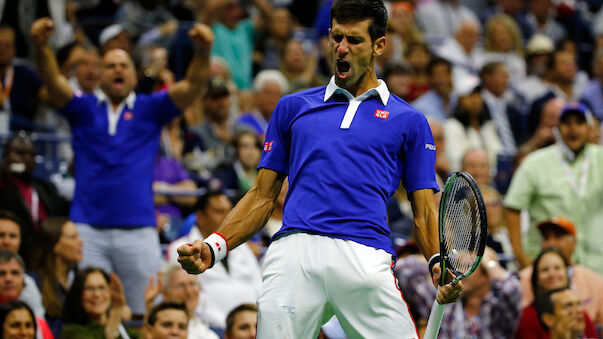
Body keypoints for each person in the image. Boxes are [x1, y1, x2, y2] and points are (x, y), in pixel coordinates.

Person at [177, 0, 462, 337]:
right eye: (336, 37)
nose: (341, 48)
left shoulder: (410, 121)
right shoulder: (291, 107)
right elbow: (261, 196)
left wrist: (435, 261)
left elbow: (424, 209)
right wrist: (214, 246)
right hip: (295, 253)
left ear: (379, 46)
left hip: (364, 258)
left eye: (354, 40)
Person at [30, 17, 214, 317]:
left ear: (133, 74)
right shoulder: (83, 107)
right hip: (86, 229)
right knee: (85, 312)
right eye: (111, 65)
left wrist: (204, 51)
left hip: (138, 228)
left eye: (123, 65)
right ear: (100, 74)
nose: (117, 69)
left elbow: (193, 86)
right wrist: (41, 47)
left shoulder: (150, 109)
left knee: (145, 310)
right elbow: (53, 82)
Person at [504, 103, 603, 272]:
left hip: (596, 265)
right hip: (548, 267)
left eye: (579, 123)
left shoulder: (600, 158)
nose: (573, 129)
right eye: (567, 123)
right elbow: (512, 208)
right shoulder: (535, 162)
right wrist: (521, 257)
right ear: (557, 128)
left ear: (589, 129)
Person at [167, 190, 261, 331]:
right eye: (219, 211)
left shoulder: (243, 248)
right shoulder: (182, 248)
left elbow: (259, 288)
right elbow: (186, 296)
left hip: (251, 328)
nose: (227, 217)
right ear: (200, 216)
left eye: (230, 212)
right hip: (209, 328)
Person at [0, 134, 69, 266]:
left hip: (43, 254)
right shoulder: (4, 185)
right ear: (6, 157)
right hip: (13, 253)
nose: (27, 158)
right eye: (20, 153)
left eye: (31, 155)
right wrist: (6, 171)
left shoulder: (45, 188)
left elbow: (64, 209)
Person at [518, 217, 603, 325]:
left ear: (573, 242)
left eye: (558, 237)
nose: (552, 243)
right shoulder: (525, 278)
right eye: (546, 238)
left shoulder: (593, 280)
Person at [29, 217, 83, 338]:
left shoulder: (78, 280)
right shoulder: (33, 283)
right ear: (55, 246)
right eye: (73, 237)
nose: (81, 242)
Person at [145, 263, 219, 339]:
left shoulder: (209, 335)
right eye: (181, 285)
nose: (189, 291)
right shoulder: (158, 327)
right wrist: (149, 305)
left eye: (192, 284)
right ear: (165, 292)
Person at [61, 267, 137, 339]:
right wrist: (115, 316)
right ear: (78, 294)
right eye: (89, 288)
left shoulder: (124, 330)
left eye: (102, 288)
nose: (97, 294)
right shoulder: (72, 333)